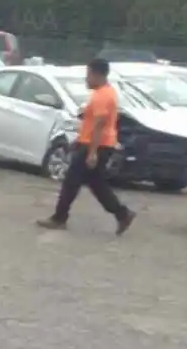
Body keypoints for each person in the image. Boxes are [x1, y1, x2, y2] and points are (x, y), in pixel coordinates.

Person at [38, 58, 135, 234]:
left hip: (97, 145)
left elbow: (99, 125)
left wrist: (91, 152)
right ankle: (122, 214)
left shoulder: (101, 96)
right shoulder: (107, 92)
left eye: (88, 75)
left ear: (97, 75)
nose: (86, 79)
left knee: (71, 182)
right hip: (99, 143)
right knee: (96, 183)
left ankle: (59, 218)